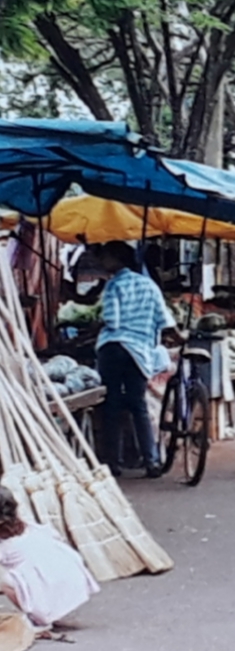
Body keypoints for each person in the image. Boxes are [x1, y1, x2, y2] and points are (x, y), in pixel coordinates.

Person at [96, 241, 173, 478]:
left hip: (113, 347)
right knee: (138, 404)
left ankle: (114, 462)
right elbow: (165, 320)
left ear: (117, 259)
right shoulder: (149, 286)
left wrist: (95, 325)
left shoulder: (113, 285)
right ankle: (151, 461)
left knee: (112, 405)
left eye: (106, 257)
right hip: (140, 352)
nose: (102, 261)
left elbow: (112, 320)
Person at [0, 487, 99, 629]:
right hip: (64, 576)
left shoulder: (5, 544)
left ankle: (38, 618)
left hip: (45, 584)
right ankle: (48, 610)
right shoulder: (29, 527)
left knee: (5, 581)